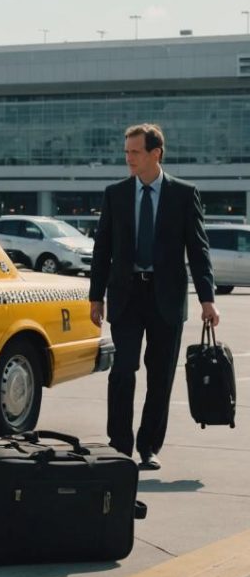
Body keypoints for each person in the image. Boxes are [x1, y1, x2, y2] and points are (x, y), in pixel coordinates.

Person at [88, 123, 220, 471]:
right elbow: (103, 248)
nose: (128, 158)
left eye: (135, 152)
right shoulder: (115, 193)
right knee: (123, 371)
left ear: (155, 153)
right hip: (127, 295)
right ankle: (119, 445)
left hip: (167, 298)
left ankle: (148, 446)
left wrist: (208, 298)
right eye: (127, 151)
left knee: (160, 376)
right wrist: (96, 296)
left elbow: (198, 249)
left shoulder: (183, 193)